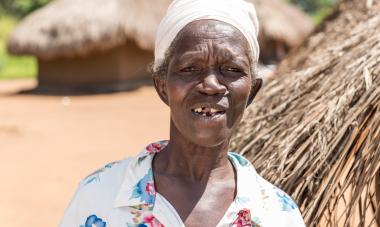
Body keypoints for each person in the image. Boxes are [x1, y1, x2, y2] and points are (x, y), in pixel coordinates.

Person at [60, 0, 305, 226]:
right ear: (162, 86)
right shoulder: (101, 195)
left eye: (231, 69)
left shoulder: (277, 214)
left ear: (252, 91)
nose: (211, 85)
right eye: (190, 68)